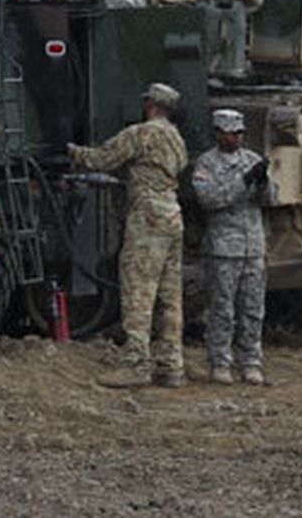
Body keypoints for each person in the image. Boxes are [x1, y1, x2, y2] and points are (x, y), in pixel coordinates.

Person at [69, 83, 190, 388]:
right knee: (169, 295)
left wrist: (69, 150)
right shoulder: (176, 138)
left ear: (150, 105)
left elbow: (101, 159)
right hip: (172, 215)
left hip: (147, 217)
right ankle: (171, 365)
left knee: (138, 289)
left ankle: (136, 363)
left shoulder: (141, 133)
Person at [191, 108, 276, 386]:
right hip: (223, 249)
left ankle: (251, 361)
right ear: (218, 133)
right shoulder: (206, 164)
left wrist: (263, 182)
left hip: (253, 246)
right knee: (221, 309)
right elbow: (209, 199)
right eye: (231, 133)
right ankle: (220, 362)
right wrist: (245, 181)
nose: (236, 138)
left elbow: (270, 201)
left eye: (240, 133)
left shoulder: (251, 160)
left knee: (253, 309)